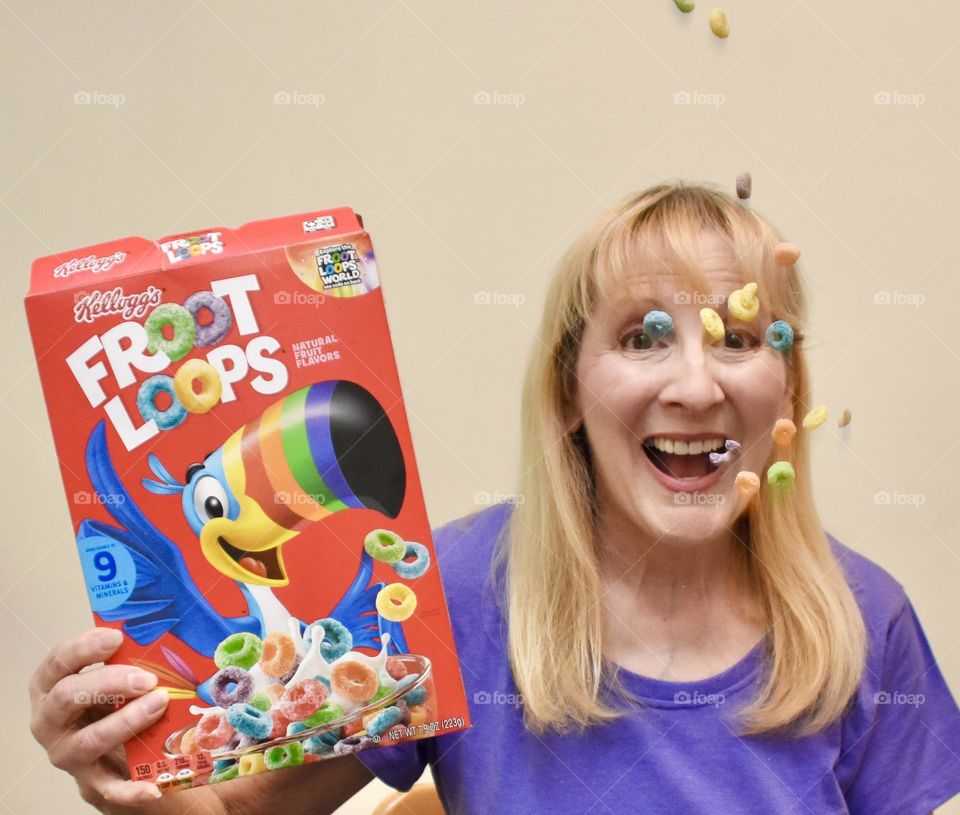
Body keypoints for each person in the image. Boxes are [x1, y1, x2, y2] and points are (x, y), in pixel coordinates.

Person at [28, 183, 960, 814]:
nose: (694, 384)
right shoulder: (459, 592)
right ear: (565, 397)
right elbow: (227, 811)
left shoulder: (864, 621)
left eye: (740, 339)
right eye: (642, 337)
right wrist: (122, 767)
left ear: (789, 396)